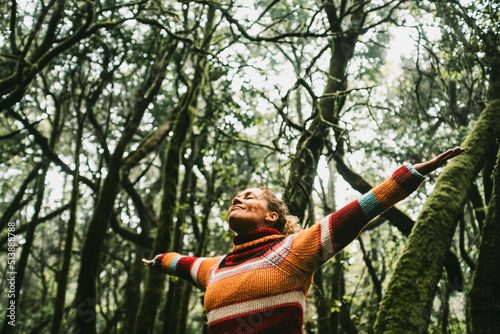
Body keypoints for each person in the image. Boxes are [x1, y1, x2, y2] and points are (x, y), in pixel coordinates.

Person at [143, 147, 465, 334]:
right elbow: (183, 265)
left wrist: (413, 174)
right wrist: (158, 262)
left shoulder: (292, 252)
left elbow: (356, 213)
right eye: (236, 197)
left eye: (249, 196)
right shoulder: (216, 269)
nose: (237, 199)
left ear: (272, 216)